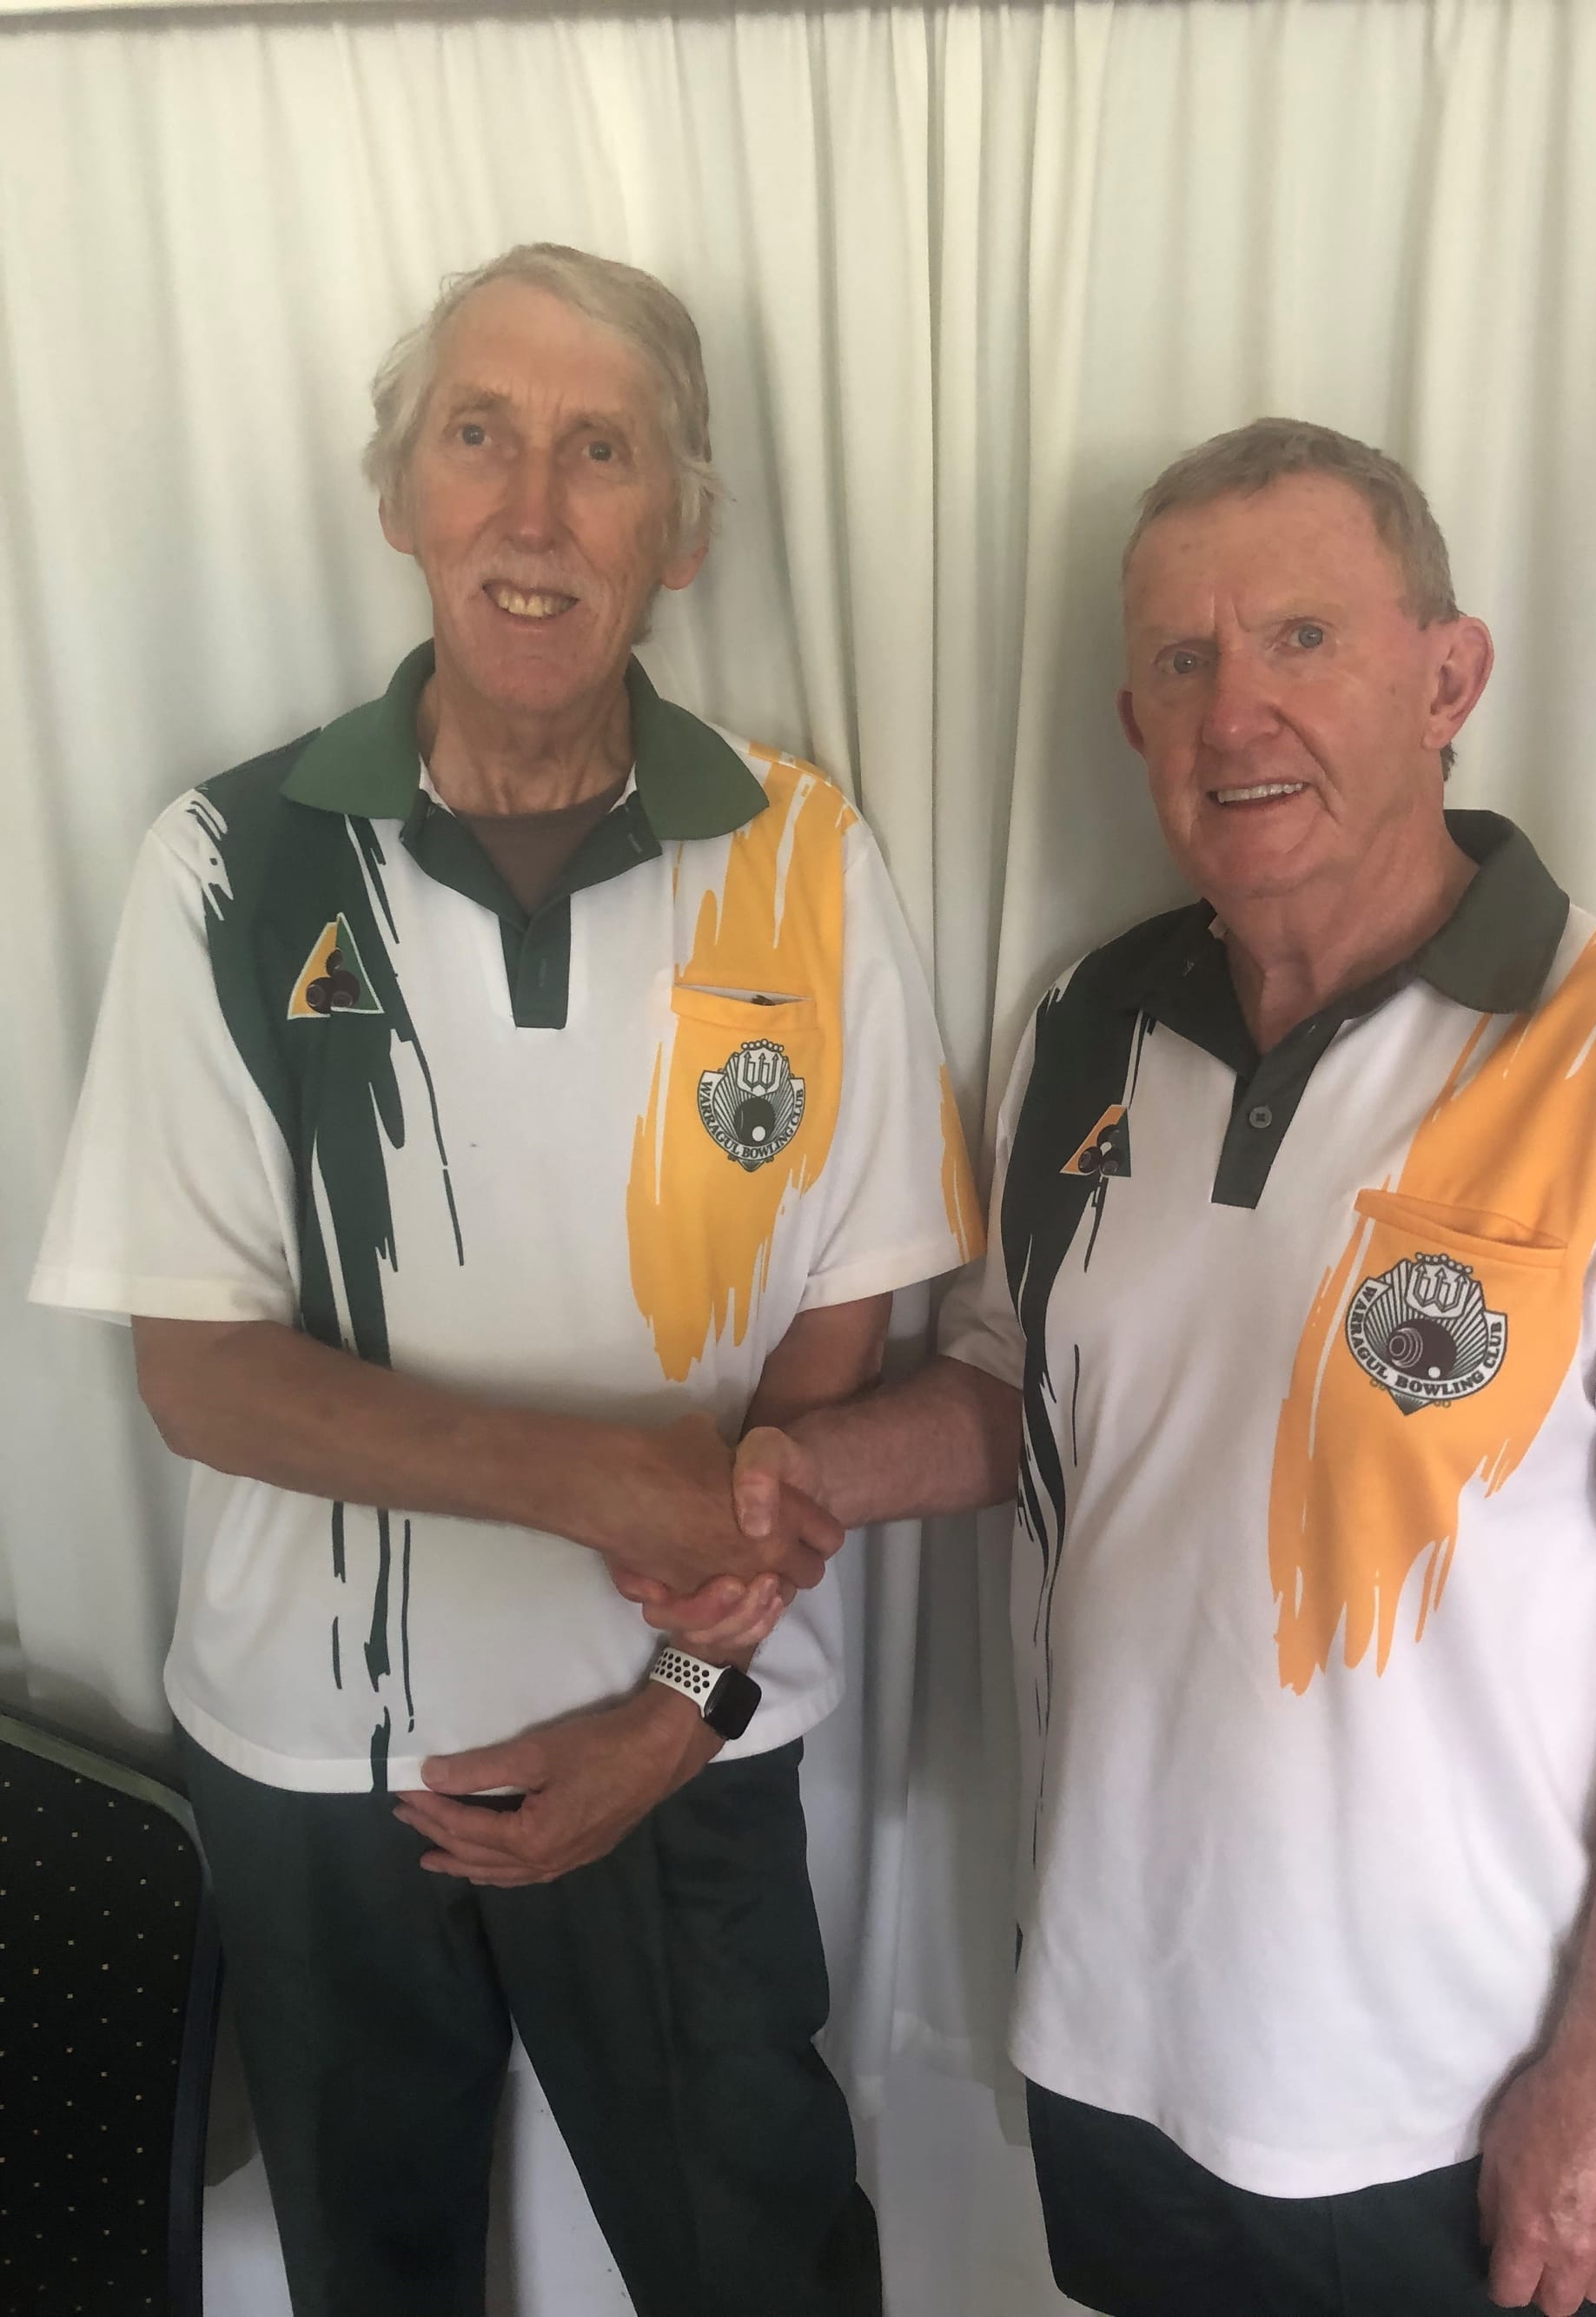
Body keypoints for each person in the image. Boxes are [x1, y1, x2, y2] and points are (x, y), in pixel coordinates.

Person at [640, 418, 1596, 2317]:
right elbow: (1021, 1392)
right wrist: (807, 1472)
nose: (1237, 713)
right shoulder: (1086, 1020)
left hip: (1444, 2105)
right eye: (1183, 659)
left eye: (1302, 636)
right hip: (1111, 2034)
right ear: (1133, 723)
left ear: (1447, 678)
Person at [30, 242, 982, 2317]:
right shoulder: (229, 862)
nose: (533, 510)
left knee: (764, 2275)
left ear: (682, 530)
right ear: (401, 495)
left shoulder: (806, 856)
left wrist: (675, 1697)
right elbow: (202, 1372)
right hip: (324, 1764)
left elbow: (845, 1325)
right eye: (480, 435)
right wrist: (592, 1477)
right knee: (372, 2280)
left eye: (600, 450)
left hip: (689, 1744)